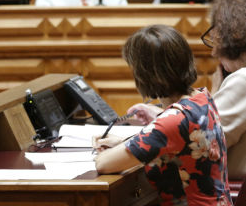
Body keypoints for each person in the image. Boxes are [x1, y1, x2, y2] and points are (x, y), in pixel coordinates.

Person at [127, 0, 246, 180]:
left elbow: (198, 145)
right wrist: (160, 116)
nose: (213, 52)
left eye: (215, 40)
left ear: (232, 38)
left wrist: (130, 145)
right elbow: (202, 125)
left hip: (241, 188)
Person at [94, 24, 230, 204]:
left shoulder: (172, 120)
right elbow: (175, 139)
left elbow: (103, 164)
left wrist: (106, 151)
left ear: (144, 74)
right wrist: (125, 144)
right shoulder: (202, 98)